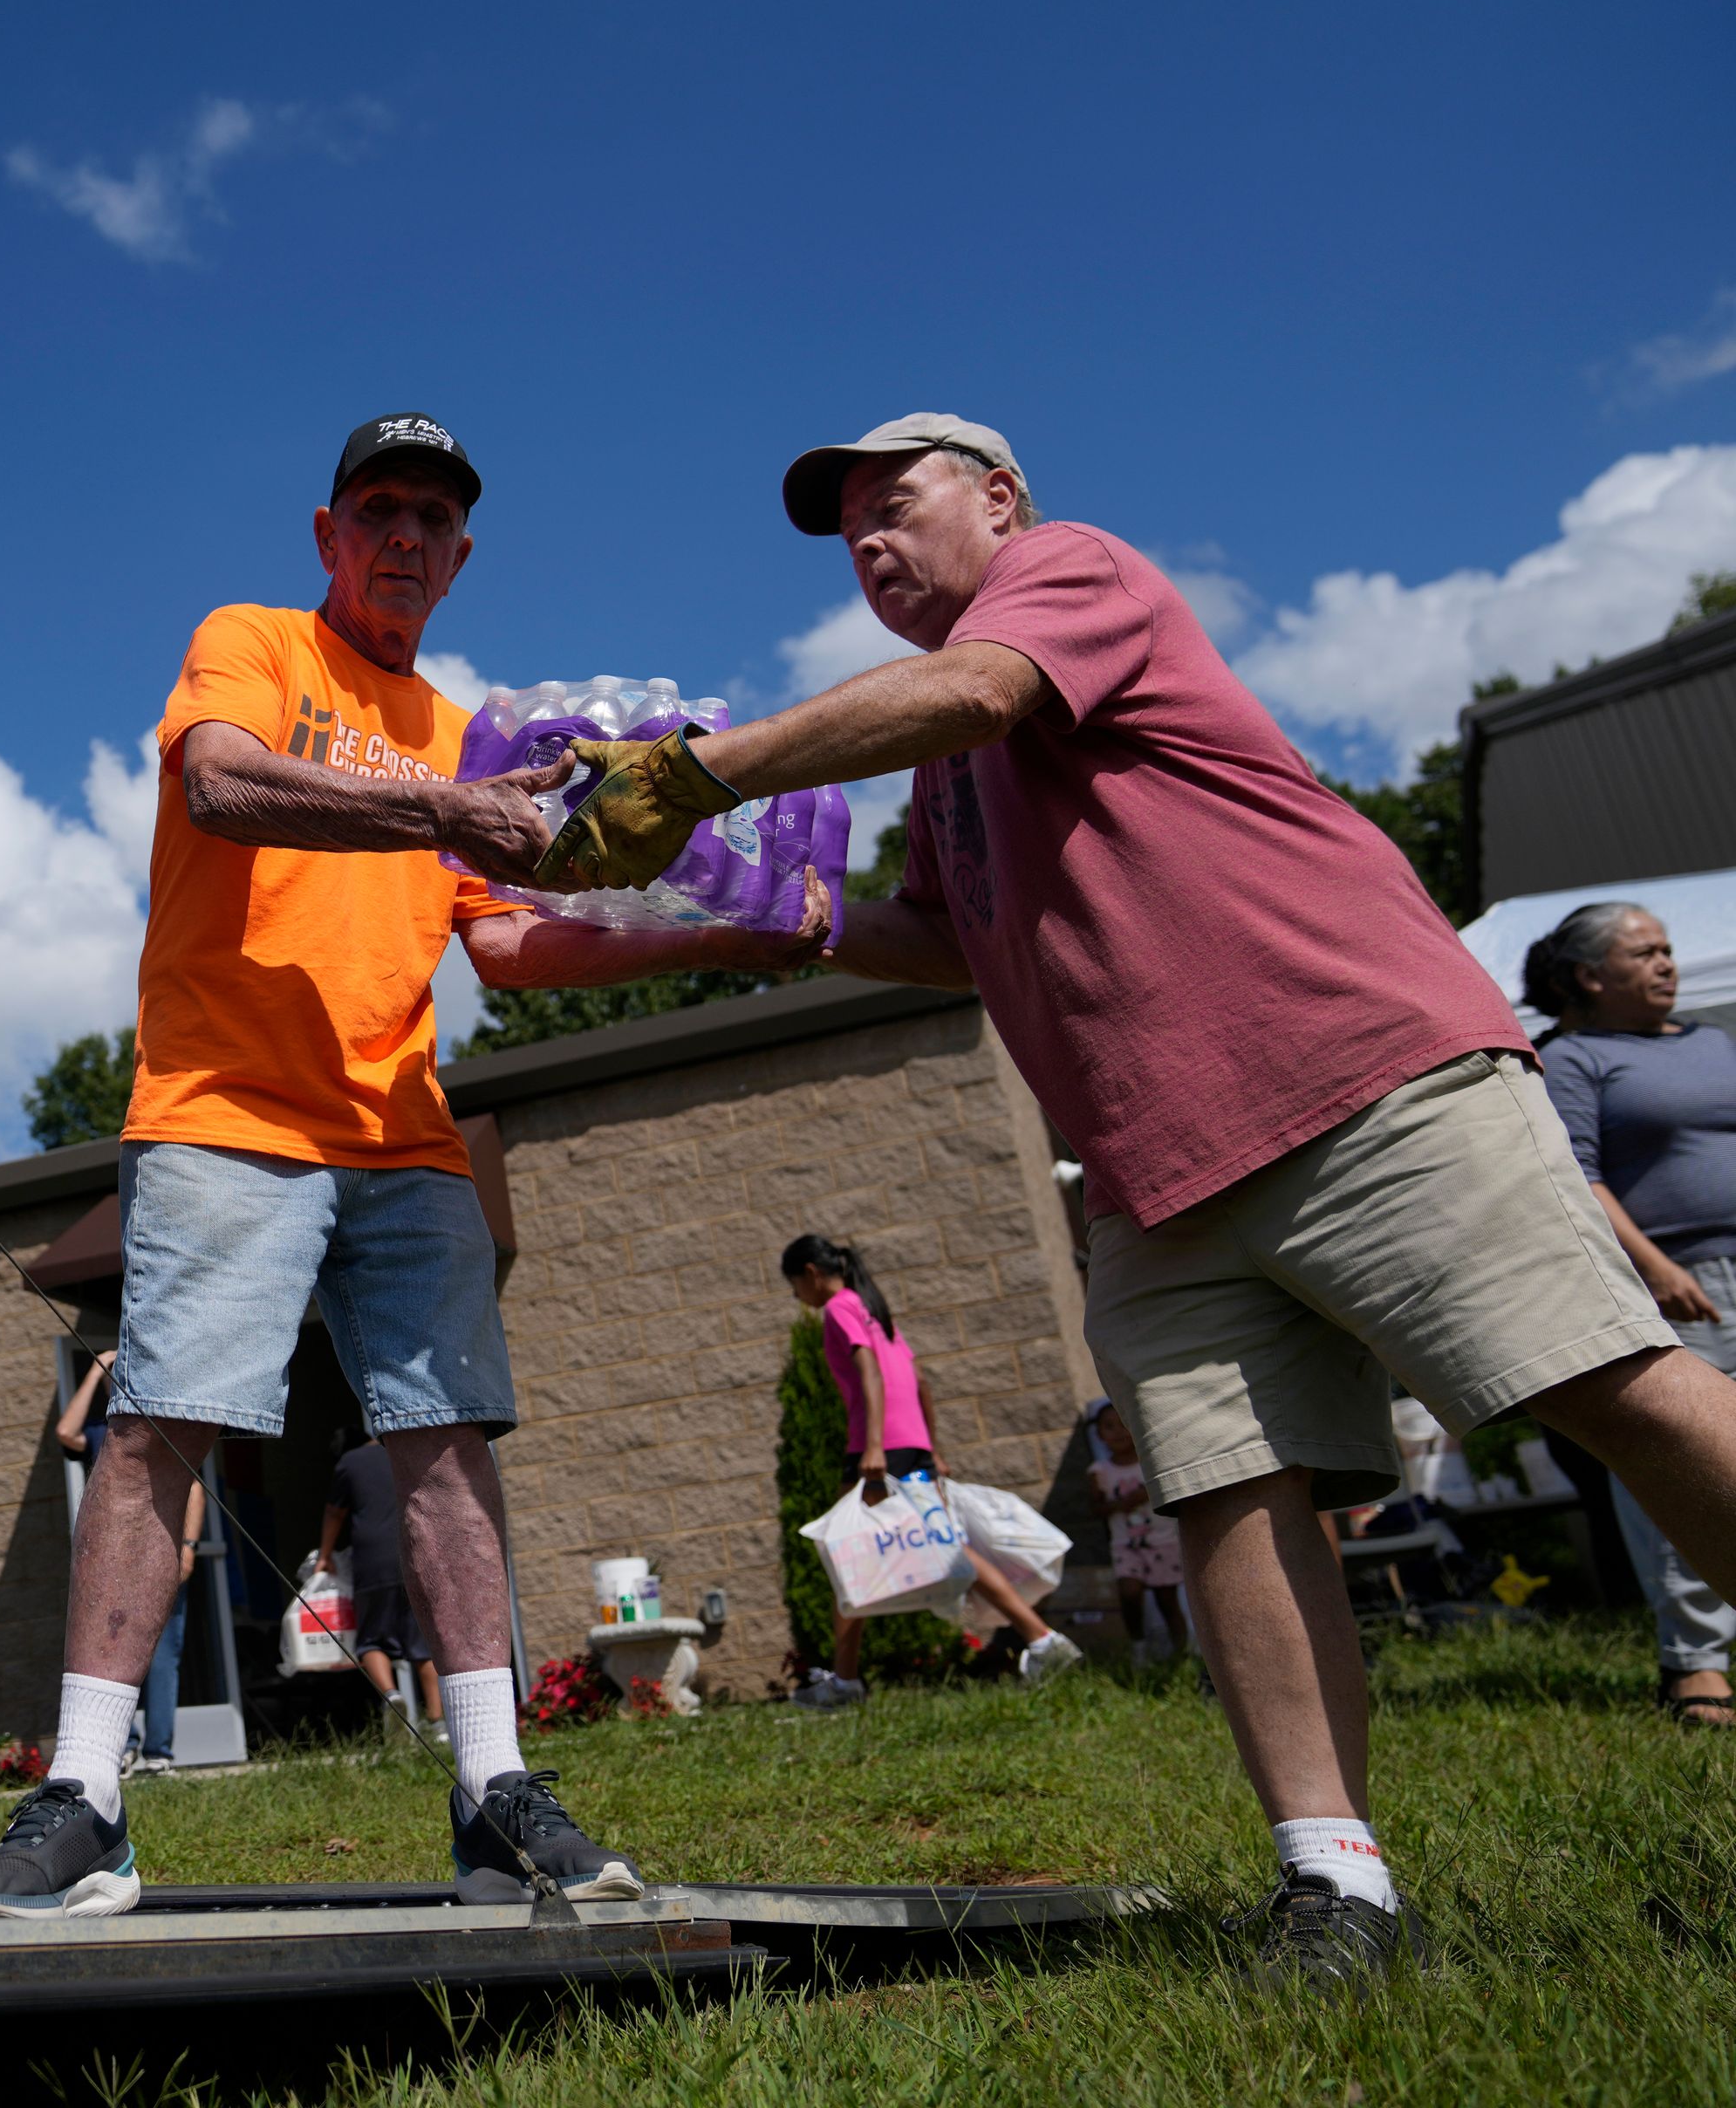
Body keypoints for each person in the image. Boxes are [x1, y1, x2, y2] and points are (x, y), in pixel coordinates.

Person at [536, 409, 1736, 1982]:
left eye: (895, 508)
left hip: (1356, 1075)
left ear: (1002, 498)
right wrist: (690, 920)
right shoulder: (953, 781)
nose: (873, 549)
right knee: (1235, 1499)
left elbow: (974, 684)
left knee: (1612, 1387)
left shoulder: (1066, 578)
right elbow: (936, 936)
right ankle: (1336, 1884)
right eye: (851, 541)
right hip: (1154, 1173)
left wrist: (688, 774)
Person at [0, 414, 829, 1919]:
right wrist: (438, 807)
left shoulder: (469, 728)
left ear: (462, 556)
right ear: (330, 535)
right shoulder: (258, 644)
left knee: (449, 1441)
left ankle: (494, 1791)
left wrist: (734, 936)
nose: (407, 536)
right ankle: (87, 1800)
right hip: (226, 1107)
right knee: (163, 1426)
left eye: (435, 518)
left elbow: (505, 943)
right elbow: (221, 782)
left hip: (402, 1126)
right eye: (381, 509)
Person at [1529, 902, 1736, 1728]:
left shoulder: (1713, 1044)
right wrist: (1656, 1268)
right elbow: (1574, 1174)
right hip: (1673, 1280)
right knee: (1682, 1462)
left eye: (1668, 949)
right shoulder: (1574, 1058)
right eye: (1644, 952)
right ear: (1589, 976)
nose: (1666, 963)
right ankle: (1696, 1666)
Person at [776, 1234, 1080, 1707]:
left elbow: (870, 1373)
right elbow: (920, 1383)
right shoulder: (875, 1309)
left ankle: (846, 1683)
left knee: (849, 1555)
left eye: (794, 1286)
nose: (798, 1297)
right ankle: (1042, 1640)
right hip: (912, 1448)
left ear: (811, 1275)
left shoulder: (839, 1309)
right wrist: (931, 1449)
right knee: (945, 1546)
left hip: (880, 1451)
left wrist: (873, 1447)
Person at [57, 1352, 200, 1772]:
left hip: (163, 1554)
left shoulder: (161, 1425)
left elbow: (191, 1486)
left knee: (164, 1655)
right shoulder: (104, 1435)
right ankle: (122, 1747)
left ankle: (159, 1753)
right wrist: (94, 1370)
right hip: (112, 1564)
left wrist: (188, 1545)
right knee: (109, 1653)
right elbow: (66, 1431)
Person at [318, 1423, 437, 1724]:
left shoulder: (349, 1463)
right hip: (414, 1552)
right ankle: (438, 1723)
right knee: (423, 1643)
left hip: (373, 1561)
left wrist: (325, 1555)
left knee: (371, 1640)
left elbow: (335, 1512)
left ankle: (392, 1696)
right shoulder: (399, 1452)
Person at [1088, 1398, 1190, 1659]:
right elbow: (1095, 1509)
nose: (1118, 1431)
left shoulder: (1152, 1463)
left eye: (1123, 1424)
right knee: (1129, 1592)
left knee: (1167, 1599)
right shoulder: (1099, 1471)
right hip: (1126, 1545)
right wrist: (1123, 1504)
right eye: (1109, 1426)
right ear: (1100, 1435)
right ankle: (1139, 1649)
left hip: (1162, 1541)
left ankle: (1183, 1655)